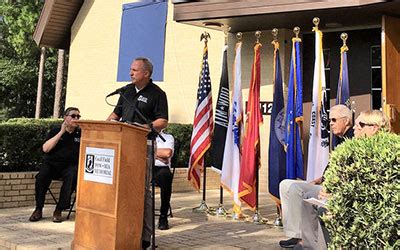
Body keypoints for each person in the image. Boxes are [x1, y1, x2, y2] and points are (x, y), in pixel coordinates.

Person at [106, 57, 168, 249]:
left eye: (134, 70)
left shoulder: (157, 94)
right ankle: (122, 231)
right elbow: (114, 116)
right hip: (121, 145)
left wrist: (143, 127)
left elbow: (162, 121)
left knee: (141, 191)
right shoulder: (125, 92)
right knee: (120, 189)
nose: (130, 73)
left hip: (143, 146)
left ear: (146, 74)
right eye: (130, 69)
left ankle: (145, 237)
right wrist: (104, 128)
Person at [279, 104, 354, 249]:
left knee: (297, 189)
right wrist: (320, 178)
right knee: (285, 184)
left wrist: (327, 185)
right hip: (324, 182)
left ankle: (303, 239)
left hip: (330, 188)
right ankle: (295, 234)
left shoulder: (351, 140)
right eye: (329, 120)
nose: (330, 123)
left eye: (333, 120)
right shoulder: (340, 139)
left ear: (346, 121)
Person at [317, 110, 391, 248]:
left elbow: (372, 192)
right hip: (357, 205)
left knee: (327, 211)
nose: (355, 128)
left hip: (375, 213)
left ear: (374, 128)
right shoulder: (354, 150)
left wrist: (337, 197)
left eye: (360, 125)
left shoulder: (385, 155)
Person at [29, 107, 81, 223]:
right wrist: (61, 132)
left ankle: (59, 209)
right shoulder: (55, 131)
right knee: (42, 176)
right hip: (52, 164)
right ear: (65, 118)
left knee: (72, 175)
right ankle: (38, 209)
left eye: (78, 116)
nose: (76, 118)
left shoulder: (80, 134)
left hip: (69, 166)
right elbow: (45, 149)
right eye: (73, 116)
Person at [154, 130, 174, 230]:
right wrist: (158, 155)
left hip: (161, 169)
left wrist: (149, 151)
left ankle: (163, 217)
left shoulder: (168, 137)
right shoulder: (143, 135)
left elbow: (167, 153)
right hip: (145, 166)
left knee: (166, 176)